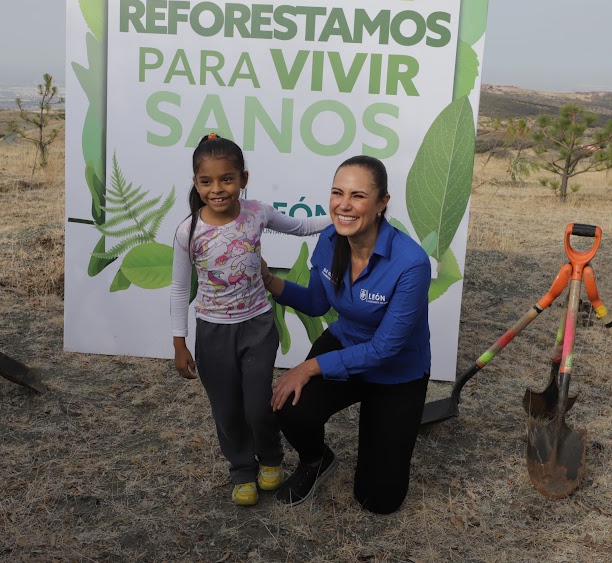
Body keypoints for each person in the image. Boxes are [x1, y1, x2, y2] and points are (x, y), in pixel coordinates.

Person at [261, 155, 431, 514]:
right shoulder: (330, 240)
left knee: (378, 500)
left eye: (358, 195)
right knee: (290, 406)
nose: (344, 204)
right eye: (338, 193)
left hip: (397, 372)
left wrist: (308, 367)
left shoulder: (411, 262)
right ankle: (315, 460)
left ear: (382, 203)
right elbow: (317, 303)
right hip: (347, 343)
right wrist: (270, 281)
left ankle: (382, 421)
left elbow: (385, 349)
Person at [170, 133, 328, 506]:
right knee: (226, 409)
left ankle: (270, 458)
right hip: (212, 332)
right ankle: (242, 470)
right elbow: (179, 289)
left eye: (227, 178)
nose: (217, 189)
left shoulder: (257, 212)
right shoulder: (188, 231)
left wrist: (337, 219)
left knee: (257, 404)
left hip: (257, 325)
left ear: (244, 177)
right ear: (196, 182)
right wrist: (180, 341)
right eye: (206, 181)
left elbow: (301, 227)